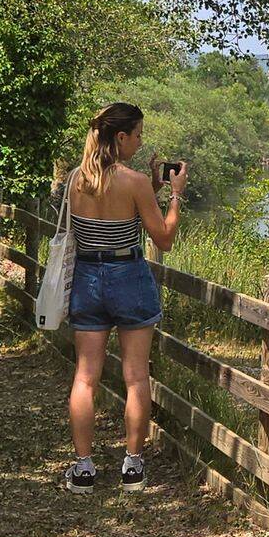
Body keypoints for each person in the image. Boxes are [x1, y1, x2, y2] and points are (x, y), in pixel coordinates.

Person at [61, 102, 187, 495]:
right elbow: (162, 239)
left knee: (85, 377)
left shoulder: (75, 179)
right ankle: (132, 467)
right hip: (127, 277)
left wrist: (152, 184)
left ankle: (83, 469)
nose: (141, 140)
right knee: (135, 376)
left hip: (87, 278)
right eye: (137, 134)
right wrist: (174, 196)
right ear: (120, 137)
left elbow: (108, 211)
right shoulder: (131, 182)